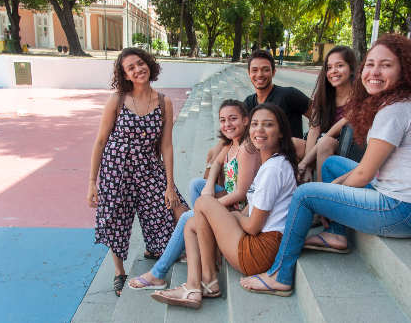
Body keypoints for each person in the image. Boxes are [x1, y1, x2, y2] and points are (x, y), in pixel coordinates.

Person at [240, 34, 411, 297]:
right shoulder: (399, 102)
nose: (374, 71)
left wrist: (327, 198)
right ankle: (337, 235)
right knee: (332, 166)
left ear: (403, 70)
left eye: (386, 65)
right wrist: (333, 192)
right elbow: (364, 170)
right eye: (370, 64)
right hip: (409, 199)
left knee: (306, 195)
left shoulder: (394, 111)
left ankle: (279, 275)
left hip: (406, 211)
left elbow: (363, 175)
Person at [150, 103, 299, 308]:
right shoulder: (273, 162)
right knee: (192, 224)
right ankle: (196, 284)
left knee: (203, 202)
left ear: (281, 132)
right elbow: (253, 207)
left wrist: (234, 217)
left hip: (258, 252)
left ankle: (207, 280)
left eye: (268, 125)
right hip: (261, 243)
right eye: (255, 124)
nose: (259, 130)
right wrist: (229, 217)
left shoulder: (273, 169)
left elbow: (253, 226)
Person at [127, 99, 261, 290]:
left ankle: (158, 273)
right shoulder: (232, 144)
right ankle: (201, 234)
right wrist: (208, 187)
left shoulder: (247, 148)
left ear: (246, 120)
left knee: (187, 218)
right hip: (232, 204)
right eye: (223, 120)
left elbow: (240, 193)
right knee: (196, 184)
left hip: (241, 211)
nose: (227, 124)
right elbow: (216, 163)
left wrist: (207, 206)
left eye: (233, 118)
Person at [87, 47, 189, 297]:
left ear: (149, 65)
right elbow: (100, 141)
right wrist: (92, 182)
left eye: (140, 63)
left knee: (174, 210)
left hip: (148, 167)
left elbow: (166, 145)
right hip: (116, 170)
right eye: (130, 67)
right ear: (125, 75)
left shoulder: (164, 102)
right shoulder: (117, 100)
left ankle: (156, 249)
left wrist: (169, 185)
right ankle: (119, 272)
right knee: (116, 220)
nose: (137, 69)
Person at [204, 50, 311, 178]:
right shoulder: (249, 102)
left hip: (285, 154)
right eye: (254, 70)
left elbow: (318, 120)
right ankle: (216, 191)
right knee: (213, 152)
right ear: (249, 73)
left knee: (226, 158)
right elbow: (231, 131)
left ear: (273, 72)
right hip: (260, 150)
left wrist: (308, 164)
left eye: (265, 69)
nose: (259, 74)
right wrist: (211, 163)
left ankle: (228, 195)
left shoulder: (289, 95)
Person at [294, 46, 357, 183]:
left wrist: (304, 163)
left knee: (325, 142)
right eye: (329, 68)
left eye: (339, 66)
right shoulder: (323, 95)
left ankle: (321, 195)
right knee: (290, 143)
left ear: (352, 69)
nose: (333, 71)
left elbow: (330, 135)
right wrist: (308, 168)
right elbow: (314, 129)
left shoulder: (360, 97)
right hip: (321, 145)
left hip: (348, 150)